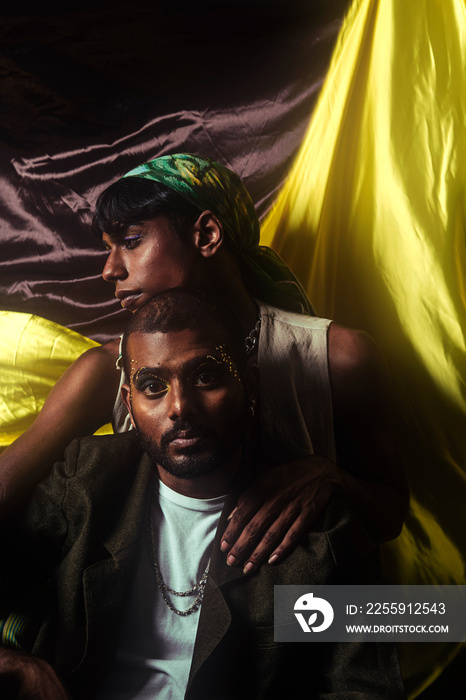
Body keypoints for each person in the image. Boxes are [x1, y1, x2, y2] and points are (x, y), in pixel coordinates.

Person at [0, 153, 408, 575]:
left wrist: (329, 478)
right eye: (154, 386)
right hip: (150, 613)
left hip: (305, 618)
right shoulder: (107, 372)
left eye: (131, 240)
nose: (109, 269)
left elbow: (390, 516)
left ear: (207, 234)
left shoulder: (336, 358)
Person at [0, 289, 406, 700]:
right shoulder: (85, 481)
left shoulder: (315, 530)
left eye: (206, 376)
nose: (180, 407)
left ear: (249, 385)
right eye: (153, 386)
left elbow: (363, 687)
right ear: (129, 402)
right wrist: (14, 664)